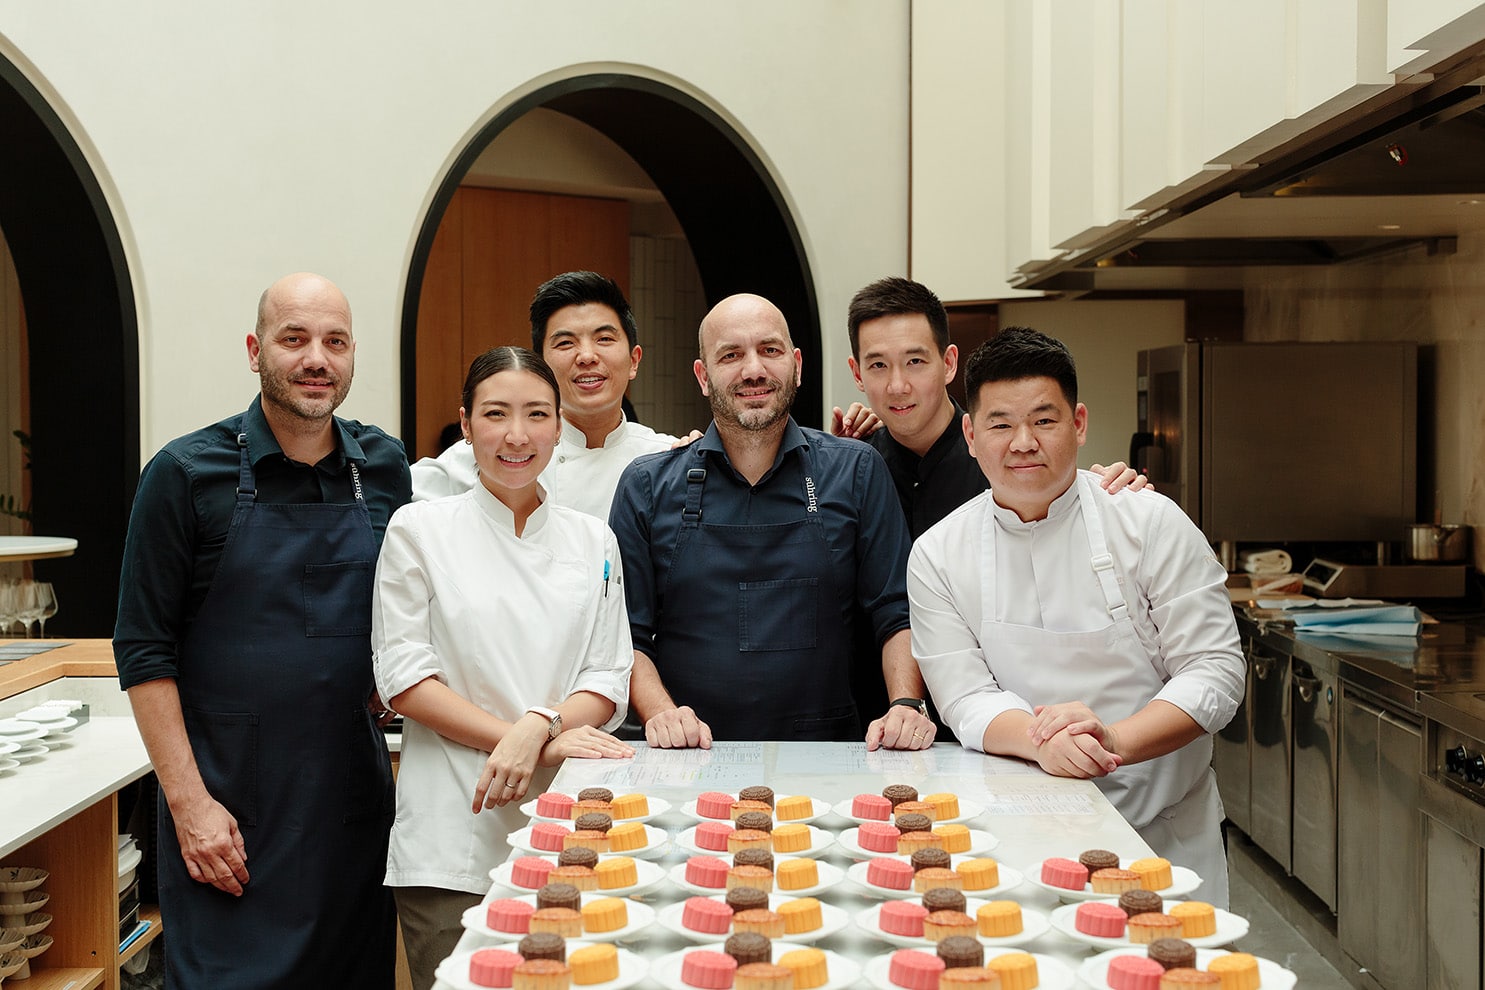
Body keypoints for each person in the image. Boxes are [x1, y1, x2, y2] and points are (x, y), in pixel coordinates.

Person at [113, 272, 409, 987]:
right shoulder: (185, 474)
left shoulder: (386, 467)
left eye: (334, 342)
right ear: (255, 350)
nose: (317, 359)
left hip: (348, 808)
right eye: (295, 339)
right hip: (230, 813)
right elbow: (143, 649)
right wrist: (189, 807)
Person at [906, 327, 1244, 907]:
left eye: (1044, 419)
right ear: (969, 433)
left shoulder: (1150, 522)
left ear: (1079, 424)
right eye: (1000, 423)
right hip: (1019, 841)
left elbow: (1215, 671)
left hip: (1165, 843)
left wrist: (1111, 739)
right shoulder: (938, 553)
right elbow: (964, 698)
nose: (1023, 442)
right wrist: (1044, 745)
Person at [373, 346, 635, 989]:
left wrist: (534, 729)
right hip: (450, 834)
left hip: (574, 828)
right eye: (495, 414)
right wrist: (522, 739)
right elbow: (404, 678)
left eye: (537, 414)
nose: (517, 435)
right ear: (465, 425)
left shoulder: (592, 539)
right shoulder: (418, 530)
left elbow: (607, 676)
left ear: (558, 425)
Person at [609, 293, 936, 750]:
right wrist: (662, 713)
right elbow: (625, 634)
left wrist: (905, 704)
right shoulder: (646, 485)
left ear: (797, 364)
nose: (753, 370)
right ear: (703, 376)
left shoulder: (857, 471)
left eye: (770, 350)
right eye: (731, 355)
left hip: (828, 754)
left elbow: (896, 611)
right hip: (688, 753)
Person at [835, 275, 1147, 539]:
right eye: (878, 365)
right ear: (857, 373)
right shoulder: (851, 471)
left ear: (948, 363)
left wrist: (1114, 498)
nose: (898, 385)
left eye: (915, 361)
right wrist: (834, 466)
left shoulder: (1007, 457)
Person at [410, 271, 677, 517]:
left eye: (604, 339)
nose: (586, 356)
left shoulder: (668, 459)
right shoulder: (505, 450)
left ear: (634, 360)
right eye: (565, 343)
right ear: (540, 367)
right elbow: (401, 495)